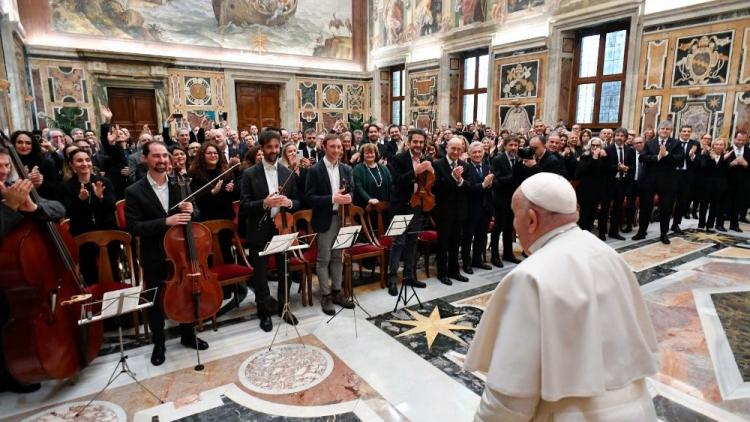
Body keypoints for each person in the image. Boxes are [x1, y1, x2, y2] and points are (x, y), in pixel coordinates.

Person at [465, 172, 659, 421]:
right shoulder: (607, 254)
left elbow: (510, 396)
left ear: (532, 219)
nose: (514, 224)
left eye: (516, 216)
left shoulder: (531, 276)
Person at [125, 141, 209, 366]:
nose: (162, 160)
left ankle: (188, 335)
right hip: (154, 254)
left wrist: (192, 210)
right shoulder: (134, 191)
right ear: (145, 159)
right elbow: (134, 227)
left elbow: (197, 214)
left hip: (181, 253)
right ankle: (159, 342)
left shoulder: (180, 184)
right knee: (156, 300)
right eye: (156, 156)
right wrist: (165, 221)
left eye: (165, 156)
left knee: (186, 293)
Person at [240, 130, 300, 332]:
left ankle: (285, 307)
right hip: (259, 230)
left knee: (285, 271)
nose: (274, 151)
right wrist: (264, 203)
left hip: (282, 229)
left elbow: (299, 201)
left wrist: (290, 202)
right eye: (269, 147)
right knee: (261, 274)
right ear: (262, 148)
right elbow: (244, 206)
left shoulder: (286, 172)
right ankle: (264, 312)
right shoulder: (249, 174)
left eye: (277, 146)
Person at [305, 134, 355, 315]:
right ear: (324, 147)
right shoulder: (315, 170)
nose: (337, 150)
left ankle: (337, 292)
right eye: (333, 146)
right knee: (323, 258)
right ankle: (325, 295)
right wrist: (331, 198)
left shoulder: (347, 169)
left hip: (343, 218)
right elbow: (309, 197)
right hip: (325, 218)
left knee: (338, 257)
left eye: (339, 147)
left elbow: (352, 191)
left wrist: (349, 197)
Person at [386, 129, 433, 295]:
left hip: (418, 206)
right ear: (409, 142)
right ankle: (391, 279)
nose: (418, 145)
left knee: (413, 242)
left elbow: (430, 183)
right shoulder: (398, 159)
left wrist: (431, 173)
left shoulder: (426, 159)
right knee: (398, 243)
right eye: (415, 142)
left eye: (421, 142)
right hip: (401, 207)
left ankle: (409, 276)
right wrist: (415, 172)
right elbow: (397, 182)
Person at [61, 149, 119, 284]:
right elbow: (69, 213)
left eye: (87, 160)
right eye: (79, 160)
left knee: (112, 270)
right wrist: (80, 200)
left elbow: (112, 207)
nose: (85, 163)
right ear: (71, 164)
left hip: (107, 231)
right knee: (89, 272)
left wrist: (101, 198)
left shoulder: (104, 182)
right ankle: (93, 300)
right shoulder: (67, 187)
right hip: (82, 234)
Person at [633, 120, 684, 244]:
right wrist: (657, 157)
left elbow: (679, 160)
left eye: (667, 129)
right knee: (645, 207)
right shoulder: (650, 143)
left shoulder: (676, 144)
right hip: (649, 180)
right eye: (662, 128)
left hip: (667, 181)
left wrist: (666, 154)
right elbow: (642, 157)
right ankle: (641, 232)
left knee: (665, 208)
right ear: (658, 130)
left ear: (671, 131)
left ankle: (663, 234)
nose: (664, 131)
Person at [433, 137, 471, 286]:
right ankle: (442, 273)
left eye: (459, 149)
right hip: (443, 210)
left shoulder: (465, 165)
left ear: (462, 150)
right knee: (443, 244)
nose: (456, 151)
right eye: (453, 148)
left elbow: (468, 186)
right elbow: (437, 188)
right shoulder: (437, 164)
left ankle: (454, 271)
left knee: (456, 243)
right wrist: (452, 177)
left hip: (460, 210)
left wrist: (460, 181)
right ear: (447, 148)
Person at [461, 141, 494, 274]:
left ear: (484, 153)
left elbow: (492, 185)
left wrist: (491, 184)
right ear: (469, 154)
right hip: (471, 208)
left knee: (481, 236)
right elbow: (467, 187)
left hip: (485, 208)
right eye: (474, 152)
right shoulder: (466, 168)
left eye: (480, 152)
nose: (477, 154)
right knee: (468, 237)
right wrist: (483, 185)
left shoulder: (487, 167)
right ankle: (466, 263)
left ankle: (477, 260)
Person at [490, 136, 522, 266]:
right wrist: (514, 175)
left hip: (514, 199)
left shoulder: (520, 159)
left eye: (516, 145)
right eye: (511, 145)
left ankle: (508, 254)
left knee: (509, 228)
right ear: (505, 146)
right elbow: (497, 181)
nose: (513, 148)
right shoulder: (498, 159)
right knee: (498, 228)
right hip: (501, 199)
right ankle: (494, 256)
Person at [600, 128, 634, 241]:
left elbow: (633, 166)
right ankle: (601, 232)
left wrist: (627, 168)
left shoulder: (630, 150)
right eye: (617, 135)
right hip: (609, 183)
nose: (619, 137)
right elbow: (604, 167)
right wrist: (617, 167)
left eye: (622, 136)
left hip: (622, 183)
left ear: (625, 138)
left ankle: (613, 232)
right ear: (614, 137)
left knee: (618, 209)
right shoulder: (607, 149)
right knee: (605, 208)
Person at [11, 131, 60, 202]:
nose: (24, 146)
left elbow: (56, 187)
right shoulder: (8, 162)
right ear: (14, 144)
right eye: (20, 142)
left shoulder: (45, 163)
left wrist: (39, 182)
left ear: (33, 145)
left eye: (28, 143)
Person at [670, 125, 700, 234]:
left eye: (688, 131)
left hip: (686, 176)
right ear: (680, 132)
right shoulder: (673, 143)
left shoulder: (695, 144)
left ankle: (676, 224)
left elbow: (699, 161)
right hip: (673, 175)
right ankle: (664, 223)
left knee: (681, 201)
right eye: (684, 131)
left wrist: (692, 156)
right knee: (670, 200)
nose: (686, 133)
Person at [576, 138, 610, 233]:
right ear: (590, 146)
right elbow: (583, 170)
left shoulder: (603, 157)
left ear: (601, 147)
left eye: (597, 145)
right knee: (585, 214)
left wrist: (605, 157)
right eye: (593, 145)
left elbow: (606, 171)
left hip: (597, 190)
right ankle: (583, 232)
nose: (595, 147)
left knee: (592, 213)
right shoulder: (585, 156)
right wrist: (594, 159)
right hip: (585, 190)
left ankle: (589, 231)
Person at [698, 138, 730, 232]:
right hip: (706, 185)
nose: (719, 146)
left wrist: (723, 160)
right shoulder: (706, 155)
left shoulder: (726, 157)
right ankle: (701, 225)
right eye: (717, 144)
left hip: (719, 186)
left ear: (724, 146)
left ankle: (710, 225)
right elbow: (703, 167)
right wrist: (711, 159)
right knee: (703, 206)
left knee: (714, 206)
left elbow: (726, 171)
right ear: (713, 145)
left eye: (721, 144)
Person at [720, 130, 749, 232]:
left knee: (738, 204)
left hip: (742, 183)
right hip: (727, 182)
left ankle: (734, 225)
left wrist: (745, 164)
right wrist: (732, 163)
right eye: (739, 140)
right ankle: (720, 224)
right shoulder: (727, 150)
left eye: (743, 140)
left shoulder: (748, 151)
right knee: (724, 204)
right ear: (734, 139)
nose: (741, 142)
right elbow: (720, 167)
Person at [352, 143, 392, 208]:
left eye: (372, 153)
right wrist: (369, 199)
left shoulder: (383, 168)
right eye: (367, 153)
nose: (370, 155)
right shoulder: (358, 169)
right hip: (366, 207)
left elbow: (391, 184)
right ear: (362, 155)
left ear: (376, 154)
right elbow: (358, 187)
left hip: (384, 206)